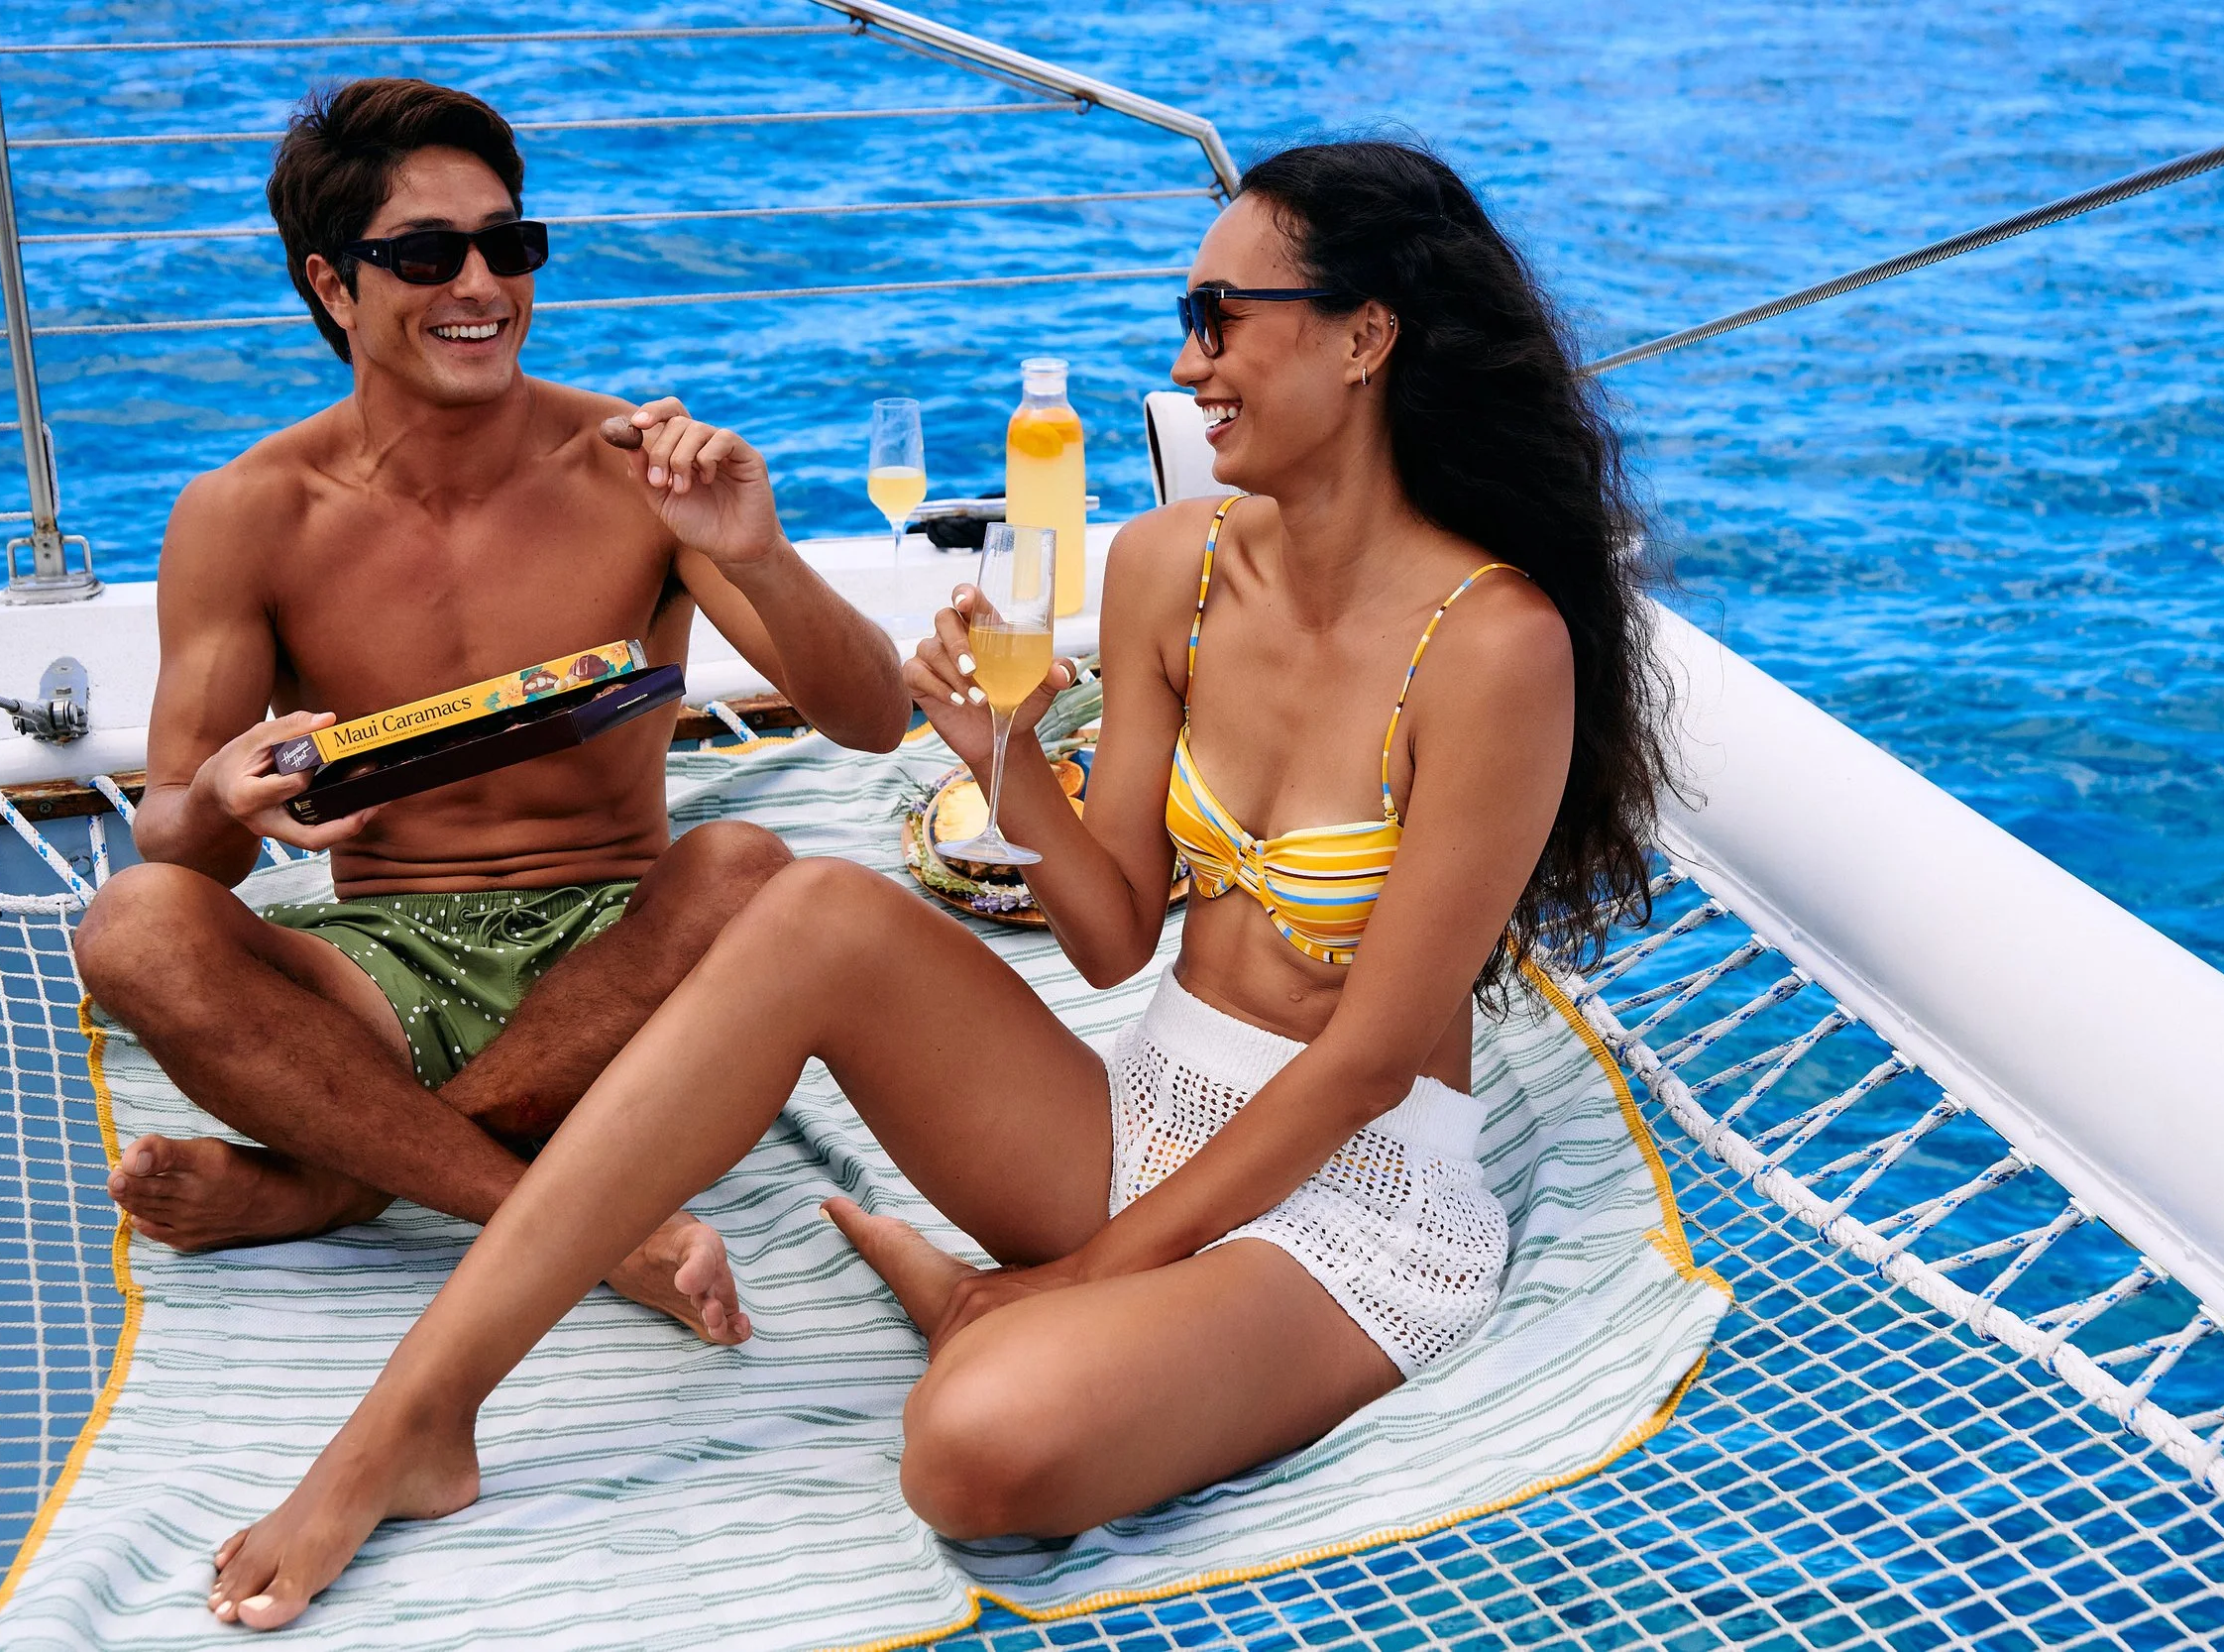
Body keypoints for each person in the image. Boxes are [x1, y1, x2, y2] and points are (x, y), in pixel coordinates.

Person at [201, 136, 1673, 1629]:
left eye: (1224, 316)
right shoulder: (1173, 561)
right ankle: (409, 1423)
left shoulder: (1496, 644)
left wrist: (1077, 1273)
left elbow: (1363, 1065)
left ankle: (980, 1302)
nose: (1188, 358)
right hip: (1152, 1110)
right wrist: (1008, 749)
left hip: (1353, 1199)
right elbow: (1109, 941)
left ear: (1366, 336)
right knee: (816, 908)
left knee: (973, 1450)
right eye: (1190, 311)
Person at [68, 78, 909, 1345]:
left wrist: (764, 549)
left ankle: (347, 1173)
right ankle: (585, 1229)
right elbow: (183, 840)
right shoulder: (248, 514)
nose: (480, 285)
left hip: (625, 947)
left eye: (507, 245)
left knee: (745, 866)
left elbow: (871, 722)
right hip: (384, 966)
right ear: (332, 285)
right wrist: (229, 799)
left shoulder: (636, 468)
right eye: (424, 254)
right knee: (134, 925)